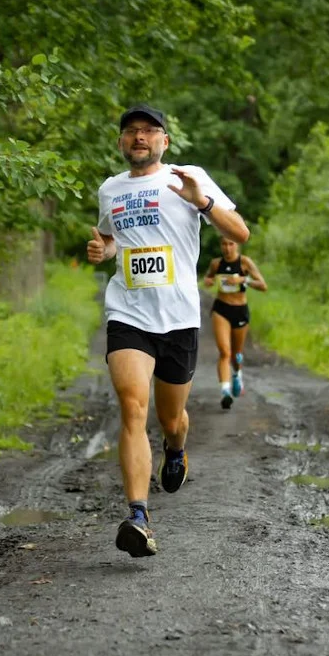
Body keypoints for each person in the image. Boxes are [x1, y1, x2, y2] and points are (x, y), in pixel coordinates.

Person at [86, 104, 250, 557]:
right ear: (121, 142)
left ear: (164, 141)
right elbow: (112, 238)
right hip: (128, 312)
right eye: (131, 131)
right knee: (132, 407)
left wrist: (203, 201)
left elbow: (240, 232)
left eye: (149, 130)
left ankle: (175, 448)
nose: (139, 137)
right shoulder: (110, 189)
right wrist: (104, 250)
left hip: (178, 318)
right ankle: (138, 516)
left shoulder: (188, 177)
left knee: (171, 420)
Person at [203, 239, 267, 409]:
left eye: (231, 244)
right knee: (225, 352)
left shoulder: (245, 262)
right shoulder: (216, 264)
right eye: (224, 244)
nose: (227, 248)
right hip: (221, 309)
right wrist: (208, 281)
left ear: (237, 245)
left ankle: (237, 373)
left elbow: (263, 285)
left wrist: (243, 280)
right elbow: (208, 278)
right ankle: (225, 391)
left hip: (240, 310)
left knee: (236, 354)